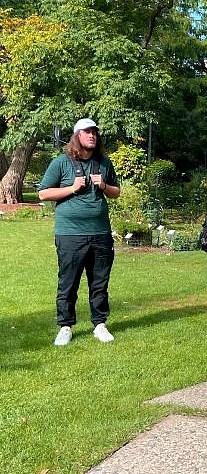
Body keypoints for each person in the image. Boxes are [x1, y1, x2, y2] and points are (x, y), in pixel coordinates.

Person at [38, 118, 121, 346]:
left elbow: (116, 193)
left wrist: (103, 185)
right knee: (68, 282)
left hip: (100, 233)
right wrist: (71, 188)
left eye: (94, 132)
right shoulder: (61, 163)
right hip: (70, 234)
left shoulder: (104, 163)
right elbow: (43, 194)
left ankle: (100, 324)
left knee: (100, 282)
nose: (92, 135)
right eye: (87, 132)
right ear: (77, 136)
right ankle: (65, 326)